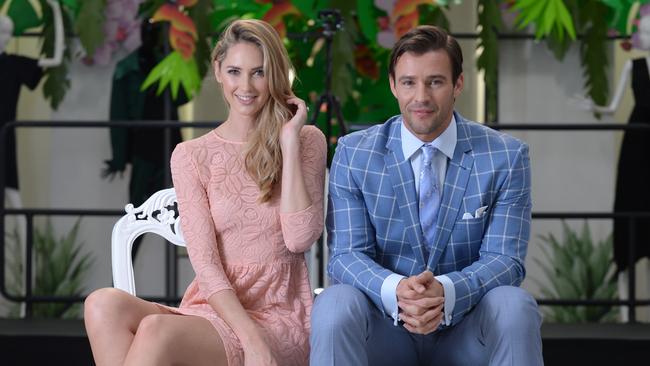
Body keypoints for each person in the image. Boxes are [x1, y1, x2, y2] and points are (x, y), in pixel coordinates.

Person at [84, 19, 327, 366]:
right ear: (217, 71)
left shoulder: (306, 141)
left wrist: (288, 143)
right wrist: (249, 337)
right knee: (101, 304)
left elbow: (300, 238)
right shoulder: (191, 155)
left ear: (275, 75)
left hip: (279, 314)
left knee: (156, 331)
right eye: (234, 71)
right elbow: (207, 266)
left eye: (259, 73)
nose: (246, 86)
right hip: (213, 309)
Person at [310, 25, 543, 365]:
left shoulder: (505, 157)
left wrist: (446, 293)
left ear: (457, 84)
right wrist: (398, 292)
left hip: (466, 330)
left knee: (514, 305)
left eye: (435, 81)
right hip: (384, 329)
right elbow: (346, 256)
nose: (421, 97)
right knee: (333, 302)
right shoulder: (354, 153)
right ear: (393, 85)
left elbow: (505, 260)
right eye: (408, 82)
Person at [573, 5, 650, 321]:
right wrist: (594, 105)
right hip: (637, 143)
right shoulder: (634, 67)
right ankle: (625, 311)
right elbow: (614, 105)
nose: (646, 34)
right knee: (631, 204)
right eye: (644, 29)